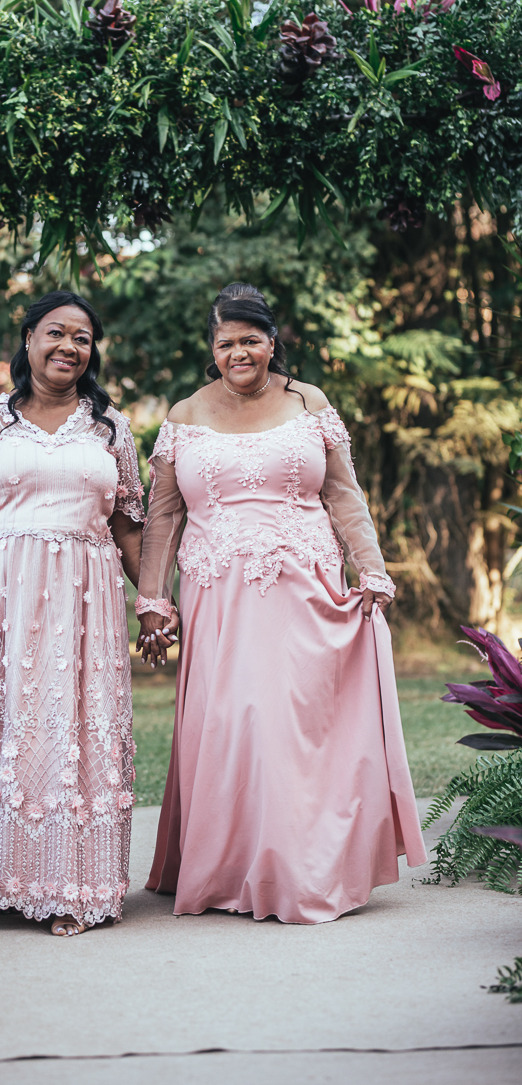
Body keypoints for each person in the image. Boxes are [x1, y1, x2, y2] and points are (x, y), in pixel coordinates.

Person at [136, 282, 426, 925]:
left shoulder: (309, 402)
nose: (238, 353)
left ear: (272, 342)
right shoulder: (184, 414)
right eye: (225, 343)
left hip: (304, 583)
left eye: (250, 340)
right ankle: (229, 867)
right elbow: (163, 516)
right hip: (218, 592)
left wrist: (372, 569)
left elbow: (343, 494)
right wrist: (152, 599)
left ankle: (304, 868)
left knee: (296, 725)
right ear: (211, 349)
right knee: (237, 721)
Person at [0, 291, 146, 936]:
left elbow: (130, 526)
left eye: (82, 338)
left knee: (76, 731)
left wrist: (159, 602)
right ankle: (4, 880)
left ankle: (73, 888)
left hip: (86, 606)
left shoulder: (111, 428)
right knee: (9, 733)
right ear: (28, 339)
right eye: (56, 333)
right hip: (0, 602)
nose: (69, 347)